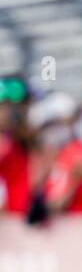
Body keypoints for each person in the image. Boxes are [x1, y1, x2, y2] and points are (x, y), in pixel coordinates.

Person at [0, 75, 33, 217]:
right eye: (5, 106)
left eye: (18, 106)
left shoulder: (24, 142)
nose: (12, 112)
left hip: (23, 221)